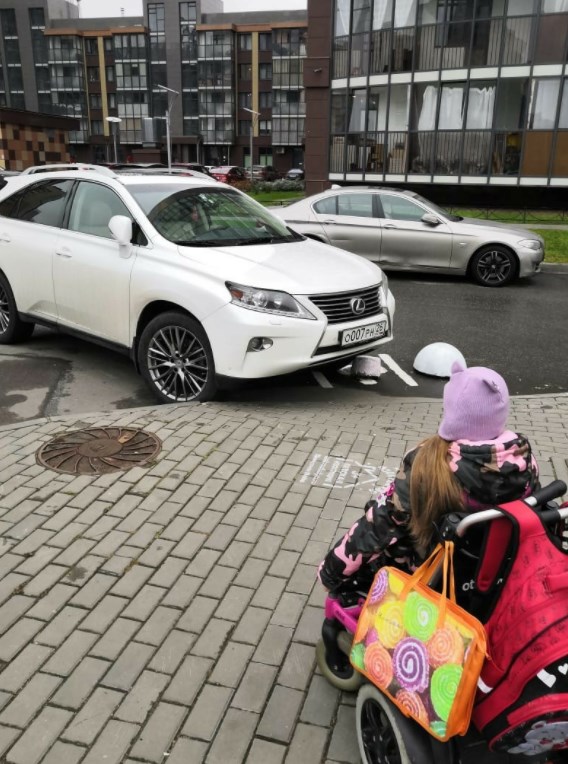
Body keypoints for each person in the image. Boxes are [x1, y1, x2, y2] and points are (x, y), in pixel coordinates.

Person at [318, 363, 540, 591]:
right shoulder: (525, 461)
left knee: (387, 520)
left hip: (434, 575)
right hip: (493, 573)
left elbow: (378, 527)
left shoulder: (427, 465)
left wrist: (330, 572)